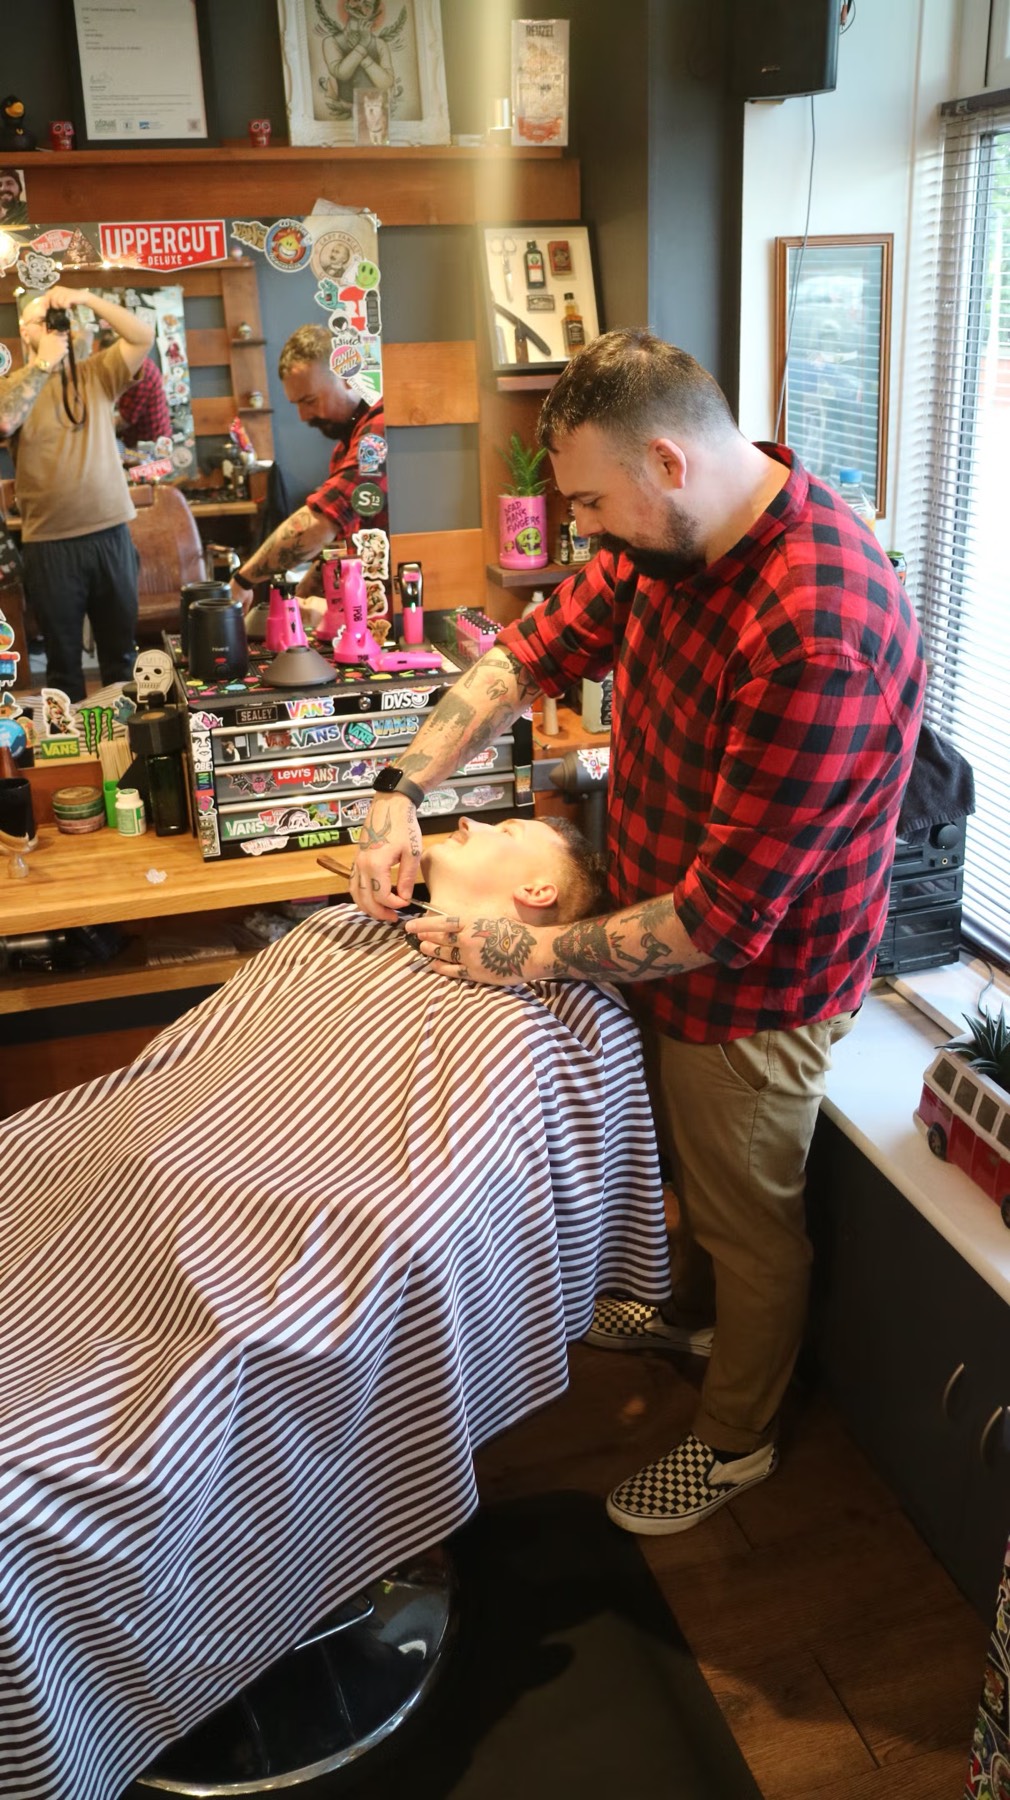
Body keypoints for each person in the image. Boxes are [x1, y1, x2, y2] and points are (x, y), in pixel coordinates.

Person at [351, 327, 928, 1537]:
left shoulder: (814, 628)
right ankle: (699, 1318)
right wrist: (402, 787)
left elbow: (721, 920)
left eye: (591, 503)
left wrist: (516, 954)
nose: (583, 532)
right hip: (661, 918)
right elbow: (524, 656)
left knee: (746, 1214)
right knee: (698, 1189)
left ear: (665, 463)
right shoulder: (669, 539)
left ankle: (734, 1440)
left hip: (758, 980)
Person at [0, 815, 668, 1800]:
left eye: (509, 826)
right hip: (104, 1174)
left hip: (265, 1259)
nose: (472, 818)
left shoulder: (548, 1023)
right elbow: (183, 1078)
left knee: (27, 1487)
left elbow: (422, 1213)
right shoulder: (345, 937)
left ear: (537, 895)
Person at [0, 285, 154, 700]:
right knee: (63, 666)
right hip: (50, 544)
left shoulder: (95, 374)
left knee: (121, 660)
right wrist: (44, 362)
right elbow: (4, 421)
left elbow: (142, 335)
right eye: (43, 320)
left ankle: (126, 750)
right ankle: (74, 756)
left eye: (59, 319)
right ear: (24, 330)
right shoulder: (12, 386)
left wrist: (85, 299)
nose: (55, 327)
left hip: (111, 535)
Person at [231, 323, 386, 607]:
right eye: (297, 404)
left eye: (310, 400)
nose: (303, 416)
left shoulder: (379, 431)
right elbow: (342, 543)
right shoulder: (344, 450)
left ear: (347, 378)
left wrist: (242, 581)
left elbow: (319, 523)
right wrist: (303, 592)